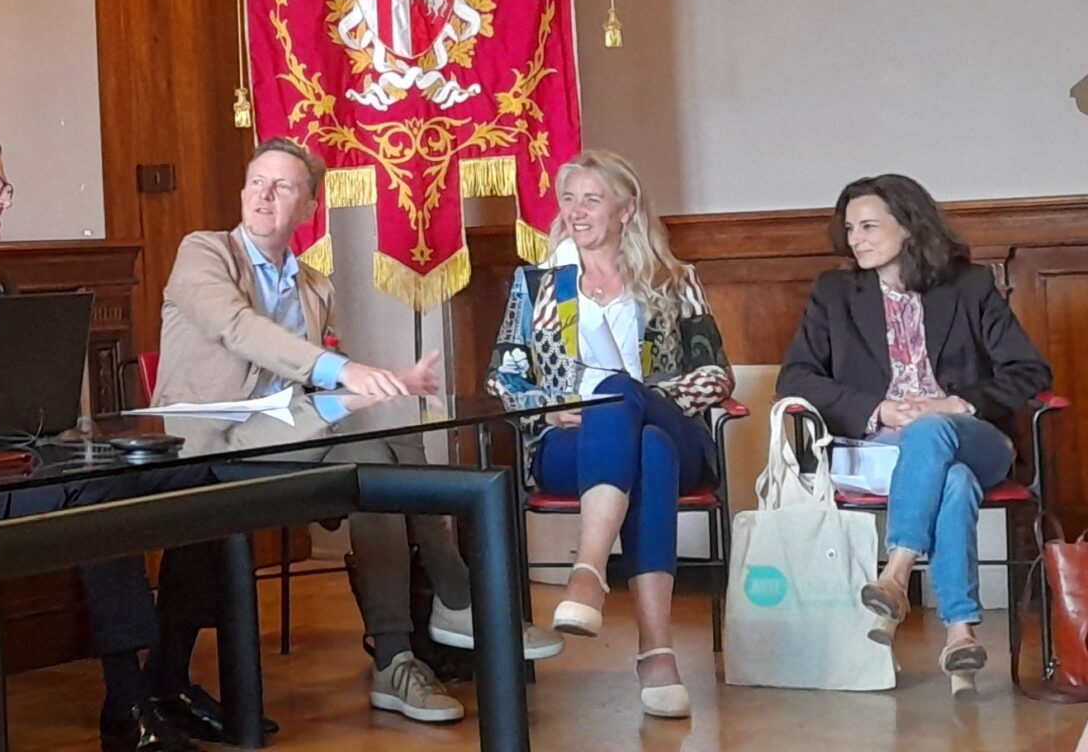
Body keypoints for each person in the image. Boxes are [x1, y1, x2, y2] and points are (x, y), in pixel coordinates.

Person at [160, 137, 564, 728]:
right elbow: (240, 329)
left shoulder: (313, 284)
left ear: (308, 208)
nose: (263, 196)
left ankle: (396, 660)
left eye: (282, 187)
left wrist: (385, 382)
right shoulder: (204, 252)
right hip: (213, 440)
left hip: (286, 438)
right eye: (256, 183)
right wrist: (351, 376)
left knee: (377, 457)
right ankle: (455, 597)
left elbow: (316, 376)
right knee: (377, 431)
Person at [0, 129, 233, 752]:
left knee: (205, 475)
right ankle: (126, 703)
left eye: (5, 186)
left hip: (33, 462)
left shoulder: (0, 287)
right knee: (97, 492)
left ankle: (168, 678)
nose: (4, 198)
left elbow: (32, 401)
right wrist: (24, 438)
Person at [777, 173, 1051, 700]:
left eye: (869, 226)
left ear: (908, 226)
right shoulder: (835, 293)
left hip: (974, 436)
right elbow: (796, 378)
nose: (855, 238)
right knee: (954, 482)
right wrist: (877, 408)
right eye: (850, 228)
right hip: (881, 448)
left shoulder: (968, 286)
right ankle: (960, 634)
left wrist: (954, 404)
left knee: (934, 433)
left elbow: (1029, 371)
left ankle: (897, 572)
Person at [486, 149, 734, 719]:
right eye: (568, 199)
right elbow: (504, 376)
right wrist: (550, 407)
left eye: (591, 200)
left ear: (626, 210)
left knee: (622, 396)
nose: (575, 211)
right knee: (647, 449)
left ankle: (588, 572)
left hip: (672, 424)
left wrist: (642, 400)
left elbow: (716, 374)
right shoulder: (537, 285)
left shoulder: (674, 281)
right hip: (571, 442)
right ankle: (657, 652)